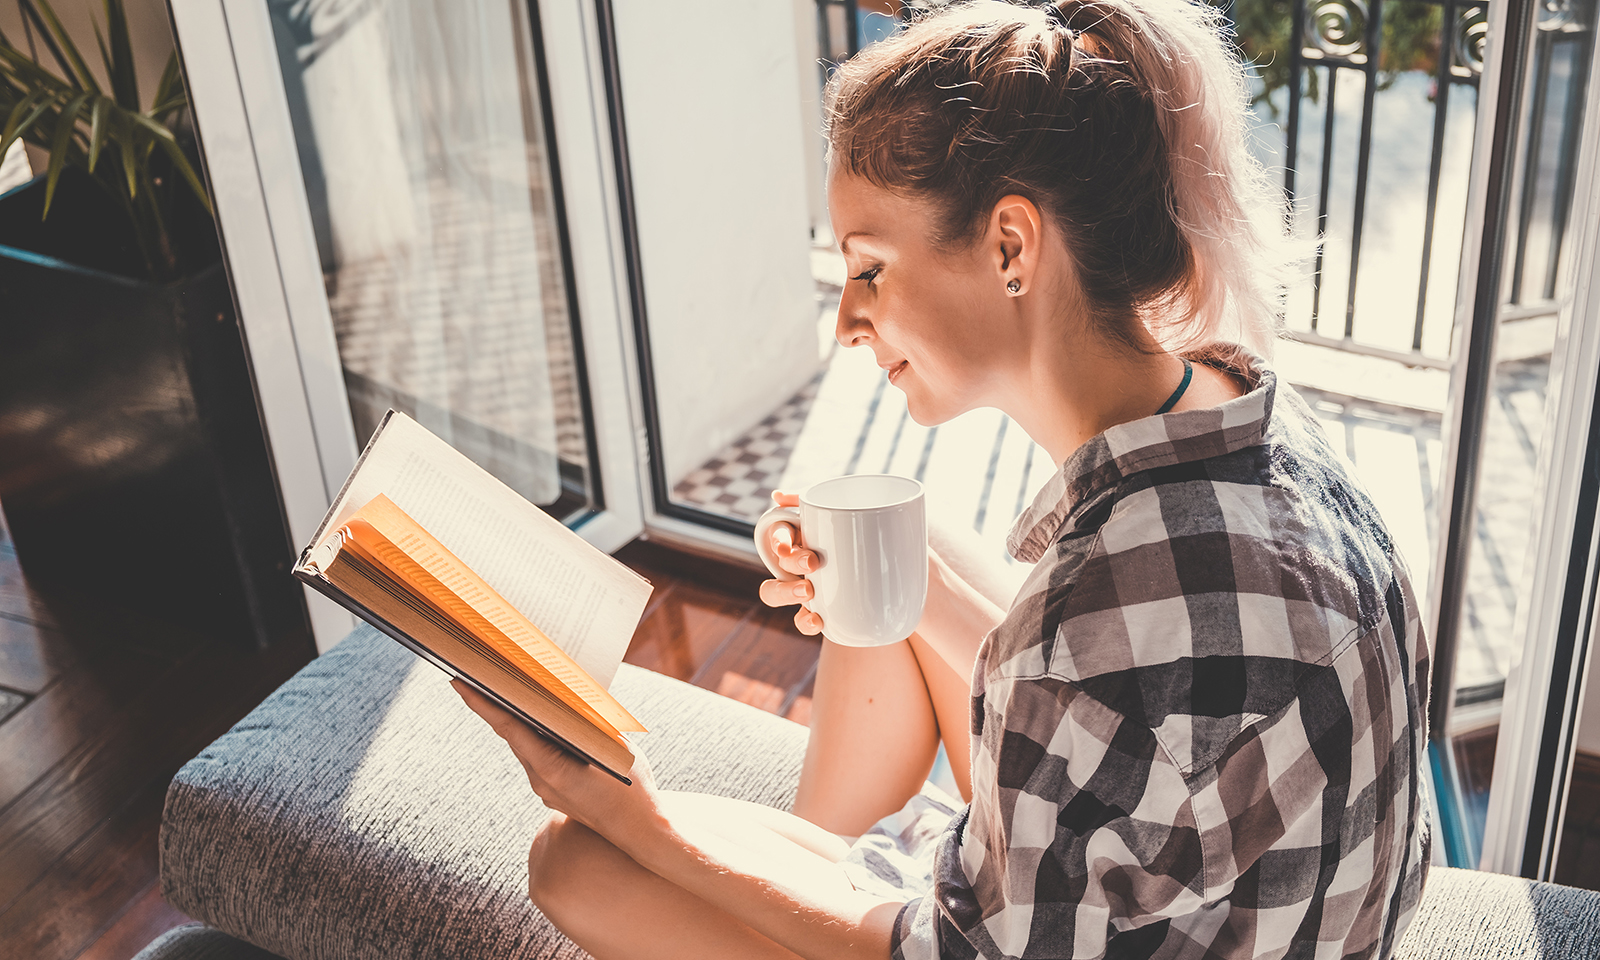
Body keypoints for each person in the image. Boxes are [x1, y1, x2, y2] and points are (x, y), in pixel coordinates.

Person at [451, 0, 1433, 957]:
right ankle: (817, 878)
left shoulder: (1083, 629)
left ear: (1011, 247)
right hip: (1233, 895)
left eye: (869, 269)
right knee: (897, 546)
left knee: (575, 862)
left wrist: (642, 821)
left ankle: (803, 898)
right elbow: (1121, 714)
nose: (845, 322)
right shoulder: (1248, 408)